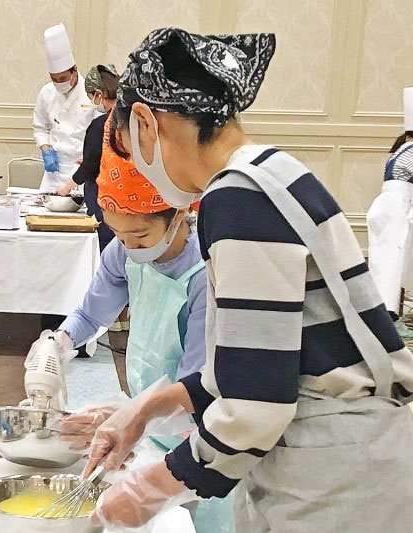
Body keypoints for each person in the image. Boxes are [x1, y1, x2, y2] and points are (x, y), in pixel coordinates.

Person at [84, 28, 413, 532]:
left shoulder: (237, 198)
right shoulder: (272, 172)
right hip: (349, 453)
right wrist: (147, 408)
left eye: (135, 154)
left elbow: (256, 403)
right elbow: (261, 358)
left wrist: (154, 487)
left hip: (336, 474)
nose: (147, 180)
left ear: (147, 123)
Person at [32, 121, 233, 531]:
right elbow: (91, 315)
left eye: (140, 236)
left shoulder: (204, 276)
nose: (129, 248)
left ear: (179, 214)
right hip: (151, 423)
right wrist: (59, 342)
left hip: (199, 433)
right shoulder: (123, 253)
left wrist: (134, 413)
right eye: (119, 235)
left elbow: (196, 386)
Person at [367, 86, 413, 339]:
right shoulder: (411, 151)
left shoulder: (403, 148)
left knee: (389, 265)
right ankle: (387, 321)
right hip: (395, 211)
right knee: (390, 266)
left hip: (391, 209)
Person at [55, 64, 117, 251]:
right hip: (129, 203)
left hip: (106, 197)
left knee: (107, 248)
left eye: (91, 97)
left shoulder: (101, 125)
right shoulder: (132, 118)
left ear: (99, 94)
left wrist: (65, 188)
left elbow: (90, 167)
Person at [32, 23, 96, 192]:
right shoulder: (47, 92)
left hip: (80, 166)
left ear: (74, 71)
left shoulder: (91, 93)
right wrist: (46, 150)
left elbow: (99, 133)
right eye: (54, 79)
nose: (59, 83)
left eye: (63, 79)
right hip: (54, 169)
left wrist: (89, 161)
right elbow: (40, 127)